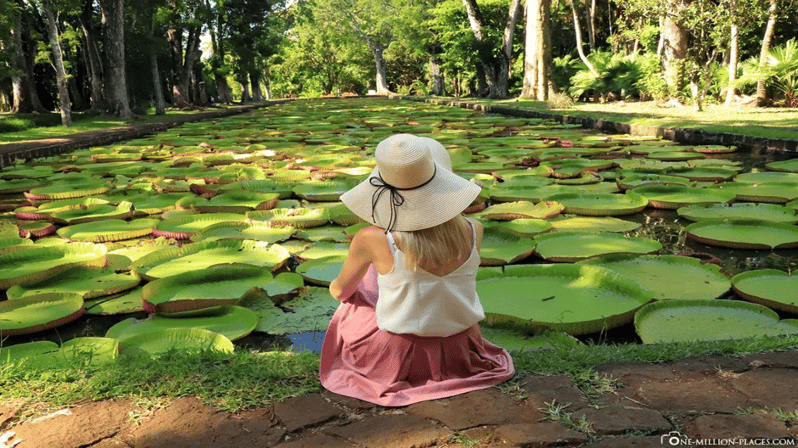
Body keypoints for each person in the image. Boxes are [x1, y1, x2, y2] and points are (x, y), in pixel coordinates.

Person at [319, 134, 514, 407]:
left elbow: (340, 291)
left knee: (357, 295)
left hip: (400, 356)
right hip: (463, 349)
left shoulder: (373, 238)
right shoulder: (473, 230)